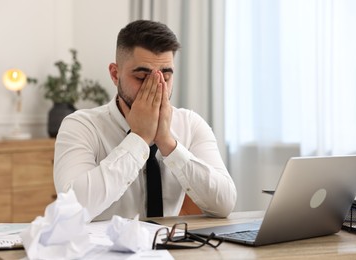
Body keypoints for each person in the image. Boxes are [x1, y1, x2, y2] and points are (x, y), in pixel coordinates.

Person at [53, 20, 237, 221]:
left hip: (170, 249)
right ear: (115, 74)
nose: (157, 87)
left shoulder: (191, 124)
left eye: (165, 77)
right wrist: (139, 139)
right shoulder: (81, 126)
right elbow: (73, 206)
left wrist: (168, 143)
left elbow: (224, 204)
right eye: (142, 78)